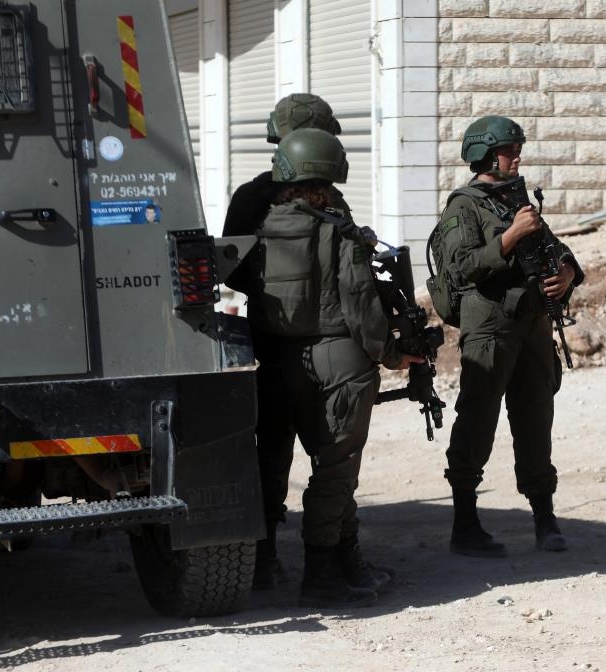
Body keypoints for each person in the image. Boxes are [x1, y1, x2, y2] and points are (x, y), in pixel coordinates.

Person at [251, 127, 423, 608]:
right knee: (335, 469)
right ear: (327, 178)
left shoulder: (263, 229)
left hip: (285, 362)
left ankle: (341, 563)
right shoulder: (337, 231)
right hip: (340, 360)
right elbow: (362, 309)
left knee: (321, 466)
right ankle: (322, 575)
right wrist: (391, 354)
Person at [223, 93, 356, 590]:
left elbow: (232, 269)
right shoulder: (323, 197)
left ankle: (266, 559)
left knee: (272, 450)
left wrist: (273, 294)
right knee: (327, 449)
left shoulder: (251, 196)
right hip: (314, 344)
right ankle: (321, 560)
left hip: (268, 338)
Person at [439, 116, 584, 557]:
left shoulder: (516, 198)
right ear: (484, 154)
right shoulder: (464, 207)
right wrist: (509, 238)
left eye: (517, 148)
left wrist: (567, 272)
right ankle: (465, 524)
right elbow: (462, 266)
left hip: (532, 325)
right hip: (489, 328)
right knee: (478, 420)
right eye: (508, 150)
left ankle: (545, 518)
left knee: (536, 417)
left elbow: (555, 249)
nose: (516, 156)